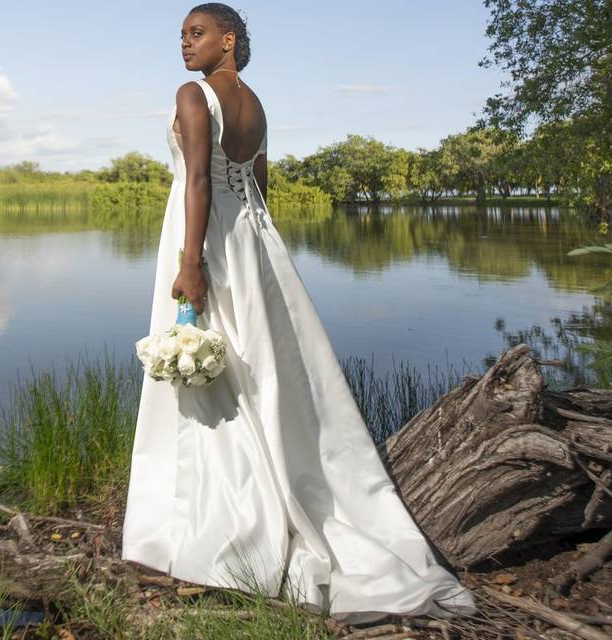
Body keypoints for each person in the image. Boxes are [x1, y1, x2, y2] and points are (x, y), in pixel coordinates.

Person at [120, 3, 477, 624]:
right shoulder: (256, 105)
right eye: (181, 34)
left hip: (204, 240)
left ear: (227, 40)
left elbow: (199, 178)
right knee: (258, 368)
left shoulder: (191, 93)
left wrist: (191, 264)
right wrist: (253, 255)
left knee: (215, 365)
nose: (184, 44)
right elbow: (258, 184)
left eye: (196, 33)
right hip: (253, 242)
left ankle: (218, 533)